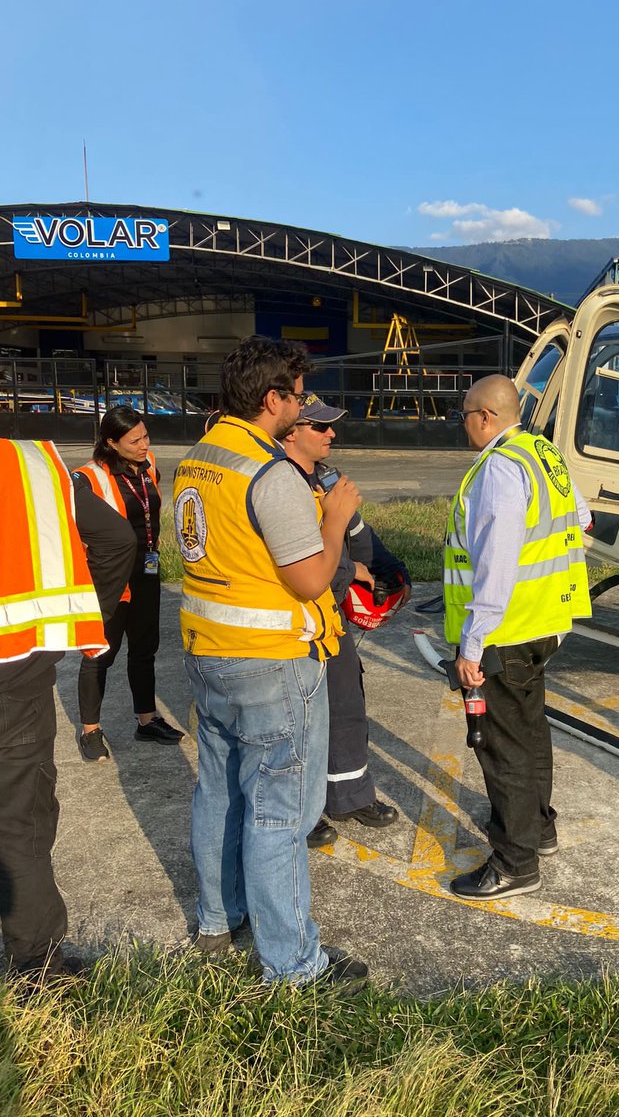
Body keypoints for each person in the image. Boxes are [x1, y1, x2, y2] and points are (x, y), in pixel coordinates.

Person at [173, 335, 368, 989]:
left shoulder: (200, 459)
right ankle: (293, 966)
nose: (303, 405)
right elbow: (312, 579)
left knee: (219, 793)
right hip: (270, 663)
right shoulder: (270, 473)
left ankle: (217, 920)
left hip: (208, 655)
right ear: (270, 401)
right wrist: (337, 517)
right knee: (280, 815)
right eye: (296, 395)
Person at [444, 375, 592, 900]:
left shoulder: (500, 470)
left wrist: (472, 644)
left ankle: (514, 862)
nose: (462, 424)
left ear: (485, 415)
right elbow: (583, 517)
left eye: (463, 414)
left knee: (502, 746)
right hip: (544, 622)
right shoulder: (542, 454)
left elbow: (496, 562)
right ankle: (539, 828)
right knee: (530, 730)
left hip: (504, 631)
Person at [0, 439, 135, 978]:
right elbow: (118, 540)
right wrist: (87, 612)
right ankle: (35, 961)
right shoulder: (32, 463)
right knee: (19, 815)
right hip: (15, 670)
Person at [281, 394, 410, 847]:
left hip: (330, 621)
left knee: (346, 706)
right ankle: (304, 808)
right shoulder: (280, 484)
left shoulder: (328, 481)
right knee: (297, 719)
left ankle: (350, 795)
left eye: (331, 425)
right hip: (290, 622)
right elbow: (290, 560)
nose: (331, 433)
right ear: (290, 430)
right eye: (319, 427)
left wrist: (392, 570)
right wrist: (350, 571)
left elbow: (360, 536)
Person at [74, 405, 183, 761]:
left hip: (147, 571)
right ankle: (90, 731)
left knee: (144, 648)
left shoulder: (149, 464)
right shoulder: (86, 479)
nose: (143, 444)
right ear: (111, 442)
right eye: (133, 440)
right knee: (100, 653)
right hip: (110, 578)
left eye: (145, 436)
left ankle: (146, 719)